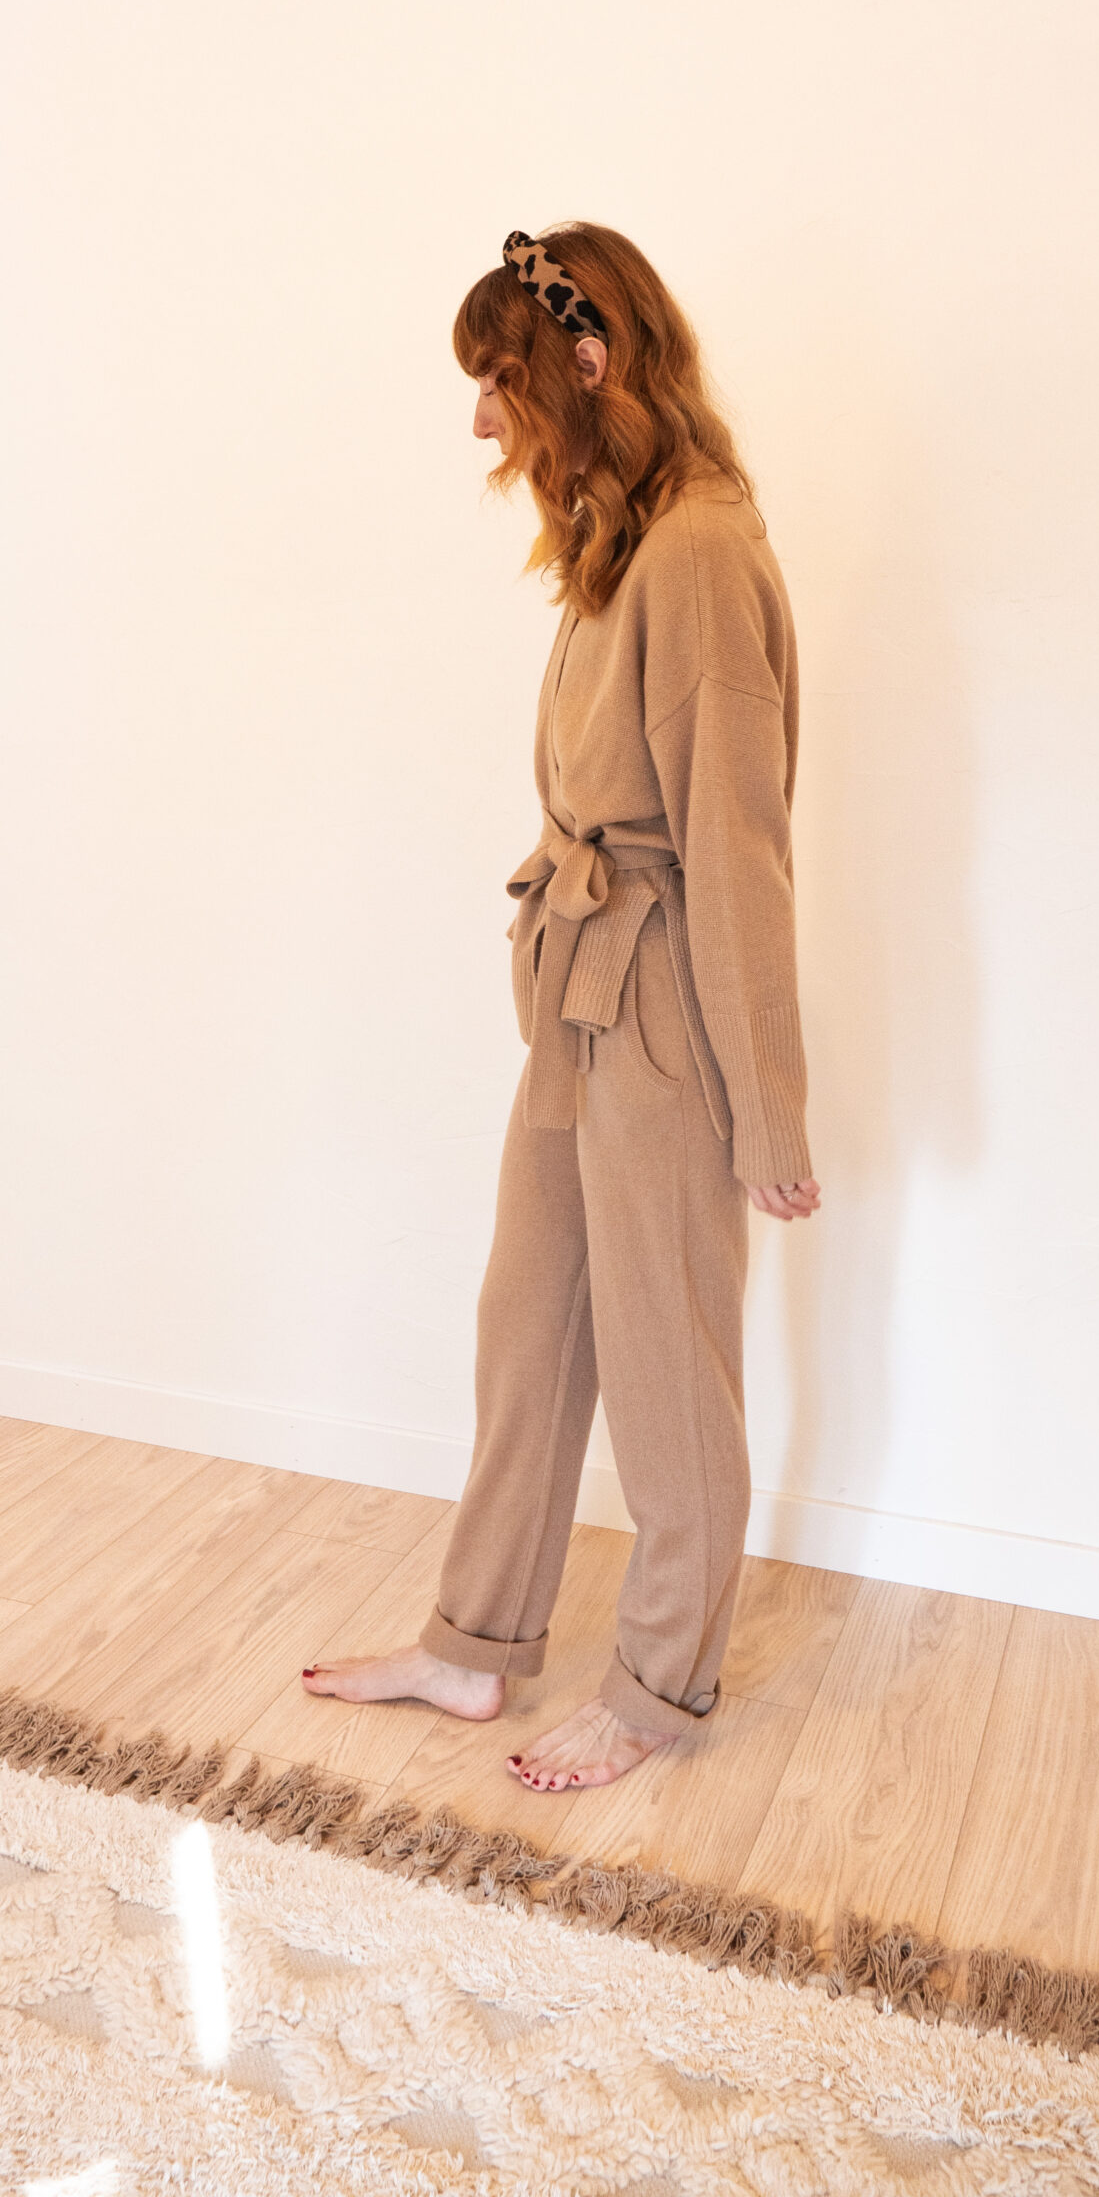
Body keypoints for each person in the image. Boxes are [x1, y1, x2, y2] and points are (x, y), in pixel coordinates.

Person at [303, 223, 821, 1793]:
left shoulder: (704, 556)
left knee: (667, 1362)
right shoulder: (624, 533)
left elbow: (736, 856)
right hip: (580, 992)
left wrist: (768, 1109)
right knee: (529, 1320)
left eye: (501, 385)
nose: (483, 424)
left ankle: (661, 1686)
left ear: (589, 367)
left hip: (661, 998)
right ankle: (477, 1646)